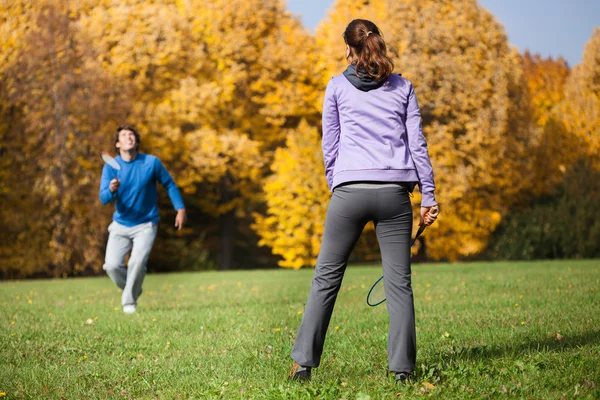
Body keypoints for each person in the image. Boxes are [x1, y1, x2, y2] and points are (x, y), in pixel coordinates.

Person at [289, 19, 439, 383]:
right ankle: (402, 371)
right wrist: (429, 195)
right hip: (393, 195)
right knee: (399, 284)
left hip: (349, 192)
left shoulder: (337, 87)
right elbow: (417, 143)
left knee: (325, 278)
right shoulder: (402, 87)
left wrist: (335, 182)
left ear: (348, 49)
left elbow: (331, 144)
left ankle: (303, 365)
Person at [99, 125, 186, 314]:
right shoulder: (111, 167)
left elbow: (169, 183)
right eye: (124, 135)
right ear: (117, 143)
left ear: (136, 141)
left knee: (137, 262)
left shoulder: (151, 163)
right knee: (112, 266)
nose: (129, 137)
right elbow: (103, 199)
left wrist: (180, 208)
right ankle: (134, 288)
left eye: (132, 135)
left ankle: (129, 302)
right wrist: (111, 189)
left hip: (146, 223)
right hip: (121, 224)